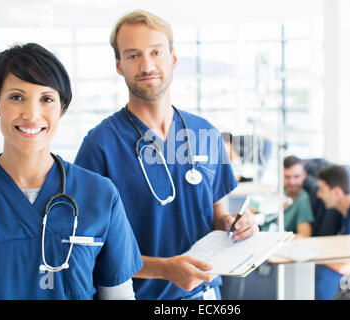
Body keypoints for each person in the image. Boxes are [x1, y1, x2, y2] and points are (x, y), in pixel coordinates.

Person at [74, 10, 258, 300]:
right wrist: (164, 269)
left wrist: (235, 224)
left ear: (172, 58)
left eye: (156, 52)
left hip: (206, 295)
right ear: (119, 66)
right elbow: (88, 247)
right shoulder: (100, 146)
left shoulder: (206, 133)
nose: (147, 65)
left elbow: (217, 216)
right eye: (133, 55)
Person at [0, 43, 143, 299]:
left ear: (61, 108)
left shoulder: (99, 194)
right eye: (16, 97)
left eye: (46, 99)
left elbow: (117, 295)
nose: (32, 114)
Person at [314, 164, 350, 300]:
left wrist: (312, 257)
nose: (318, 195)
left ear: (337, 192)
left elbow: (345, 267)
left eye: (322, 190)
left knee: (323, 277)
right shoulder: (346, 214)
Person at [281, 156, 314, 237]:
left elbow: (303, 237)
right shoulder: (279, 193)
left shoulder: (303, 200)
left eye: (296, 176)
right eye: (287, 177)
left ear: (304, 175)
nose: (292, 182)